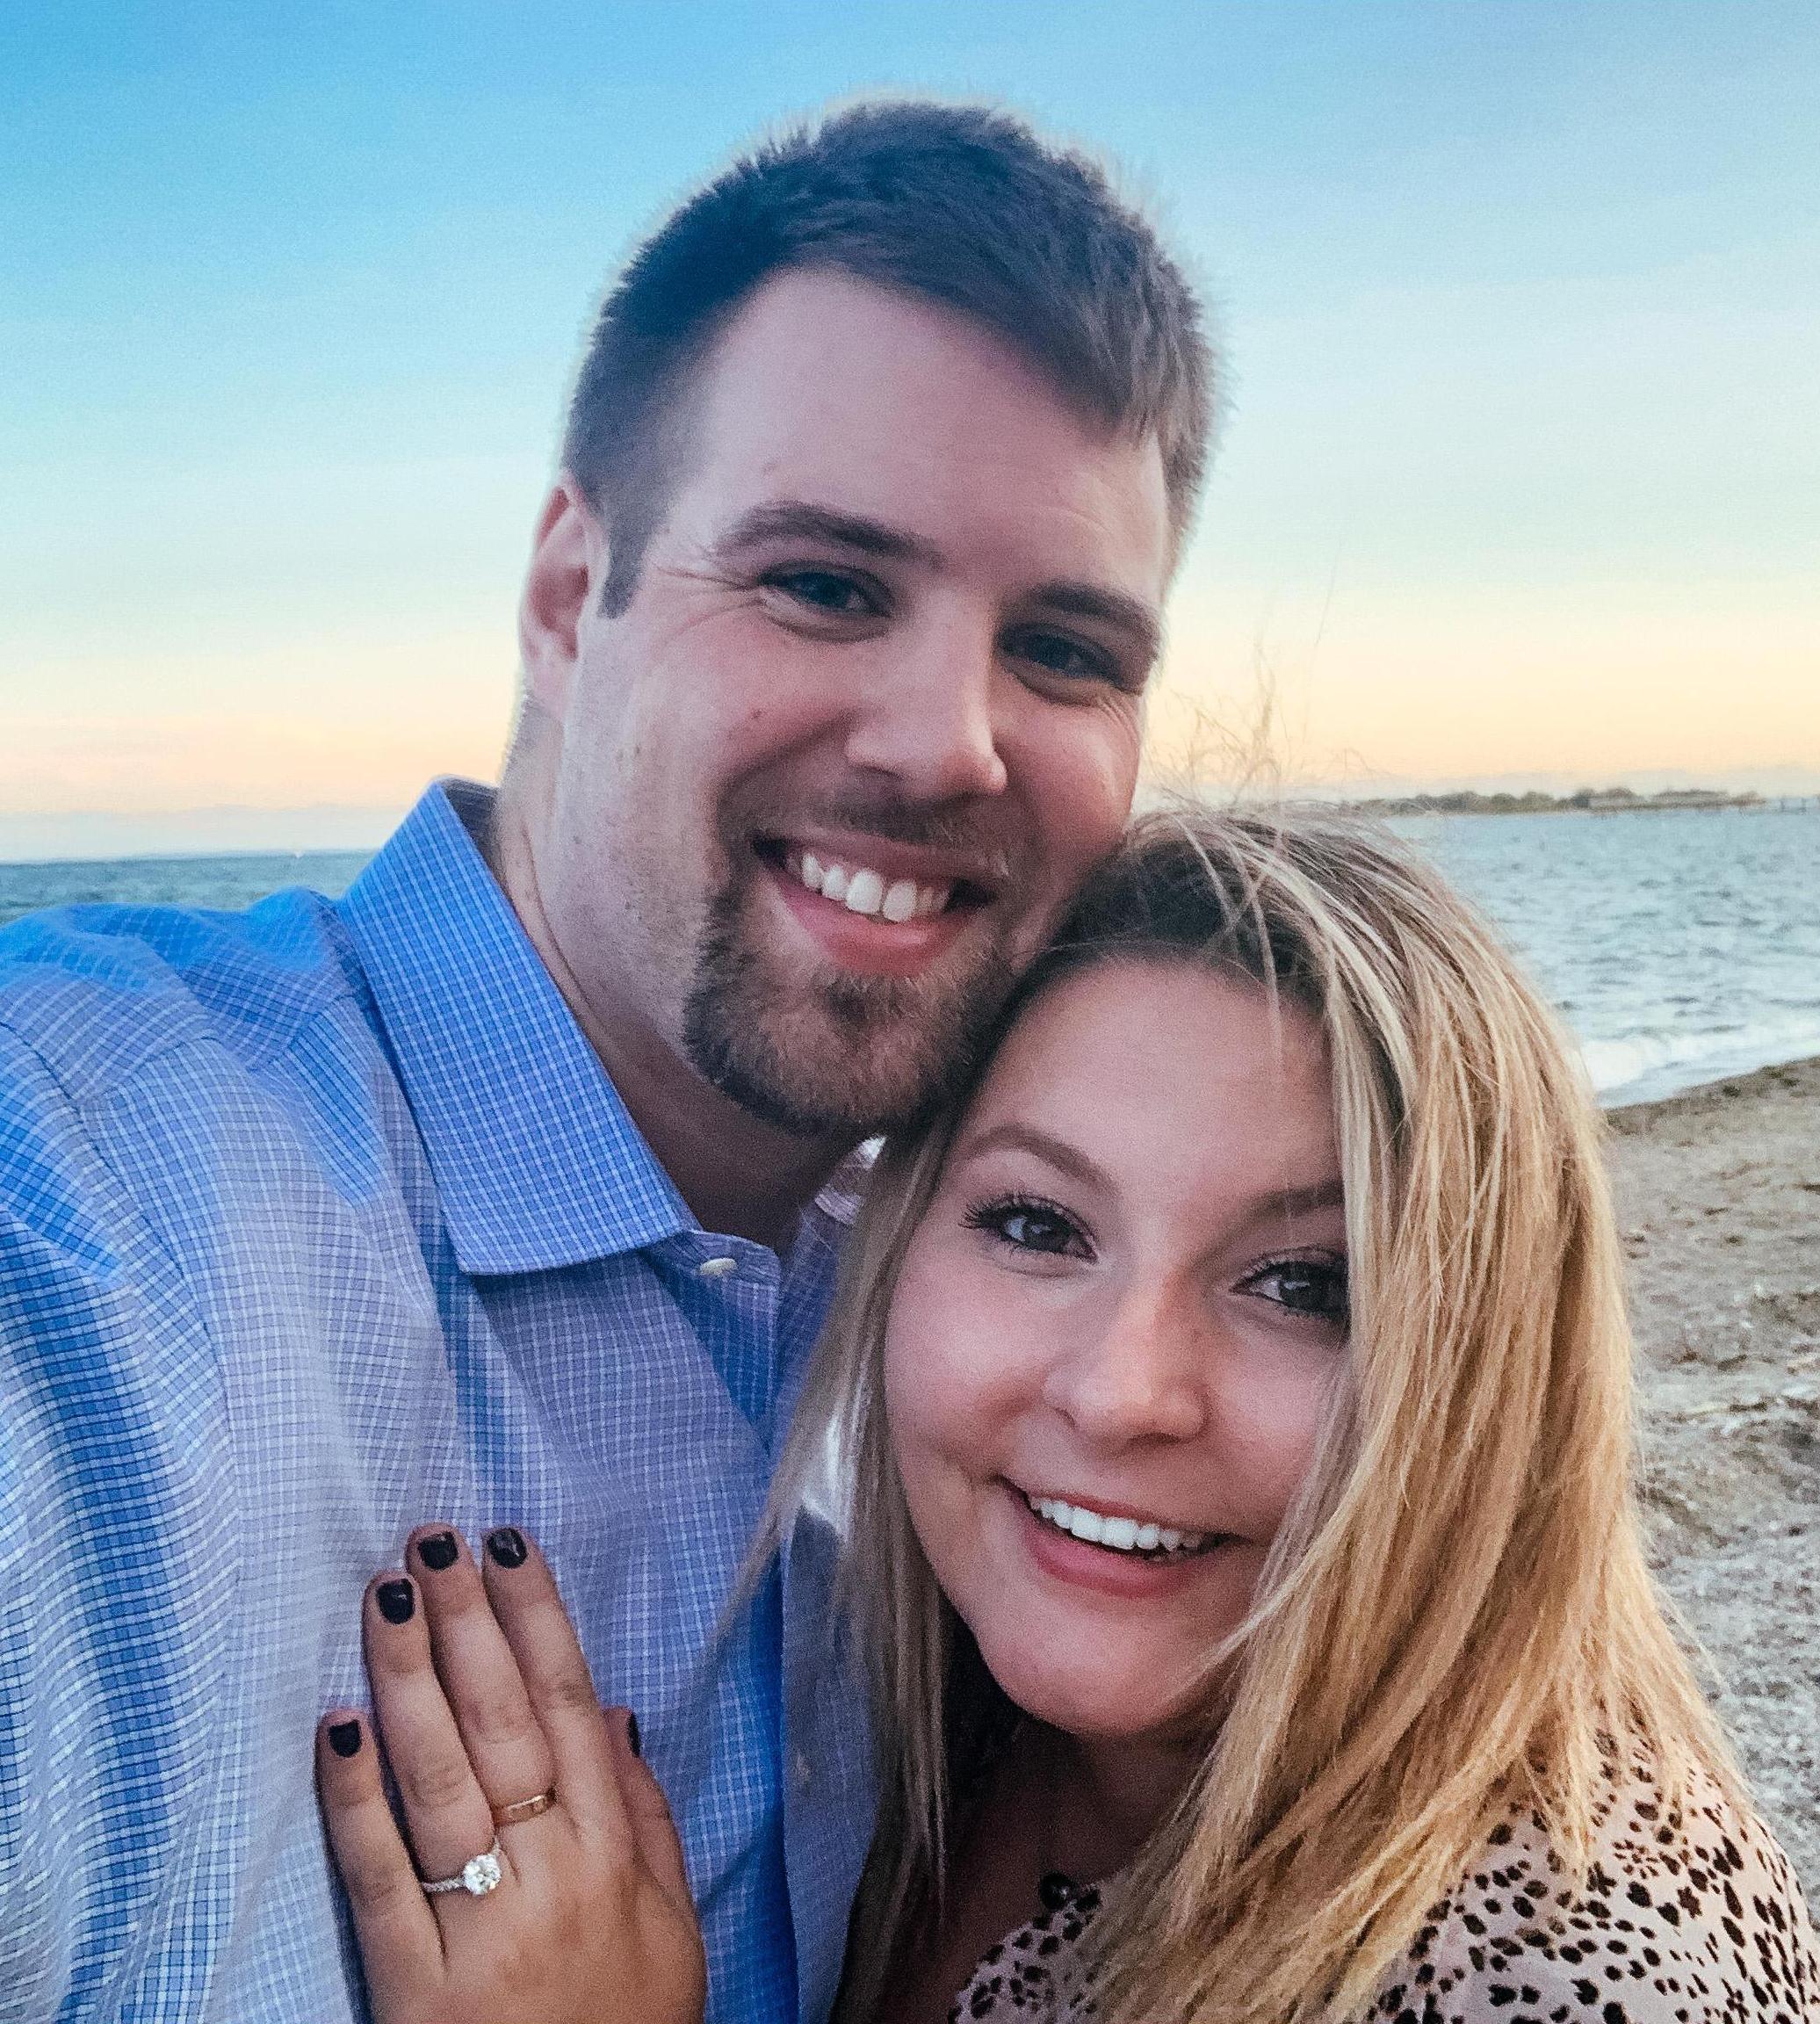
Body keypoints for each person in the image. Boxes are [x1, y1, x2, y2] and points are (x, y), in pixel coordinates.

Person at [0, 103, 1214, 2024]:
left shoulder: (985, 1319)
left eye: (1066, 649)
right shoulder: (74, 1231)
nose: (949, 745)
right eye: (824, 583)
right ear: (573, 595)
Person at [317, 803, 1820, 2023]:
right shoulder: (917, 1718)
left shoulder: (1557, 1979)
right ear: (893, 1237)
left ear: (1483, 1380)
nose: (1122, 1394)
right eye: (1040, 1228)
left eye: (1305, 1286)